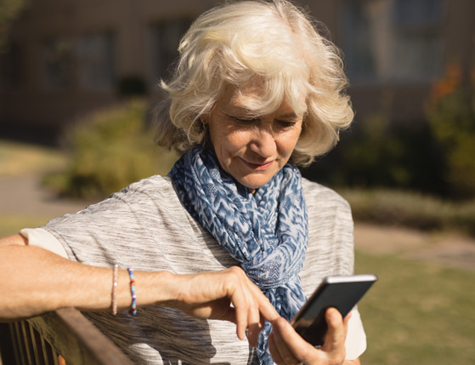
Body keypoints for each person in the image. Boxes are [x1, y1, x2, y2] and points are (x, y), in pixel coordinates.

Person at [0, 0, 366, 364]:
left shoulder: (328, 213)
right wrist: (171, 288)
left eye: (285, 123)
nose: (265, 146)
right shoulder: (148, 216)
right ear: (204, 108)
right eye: (244, 118)